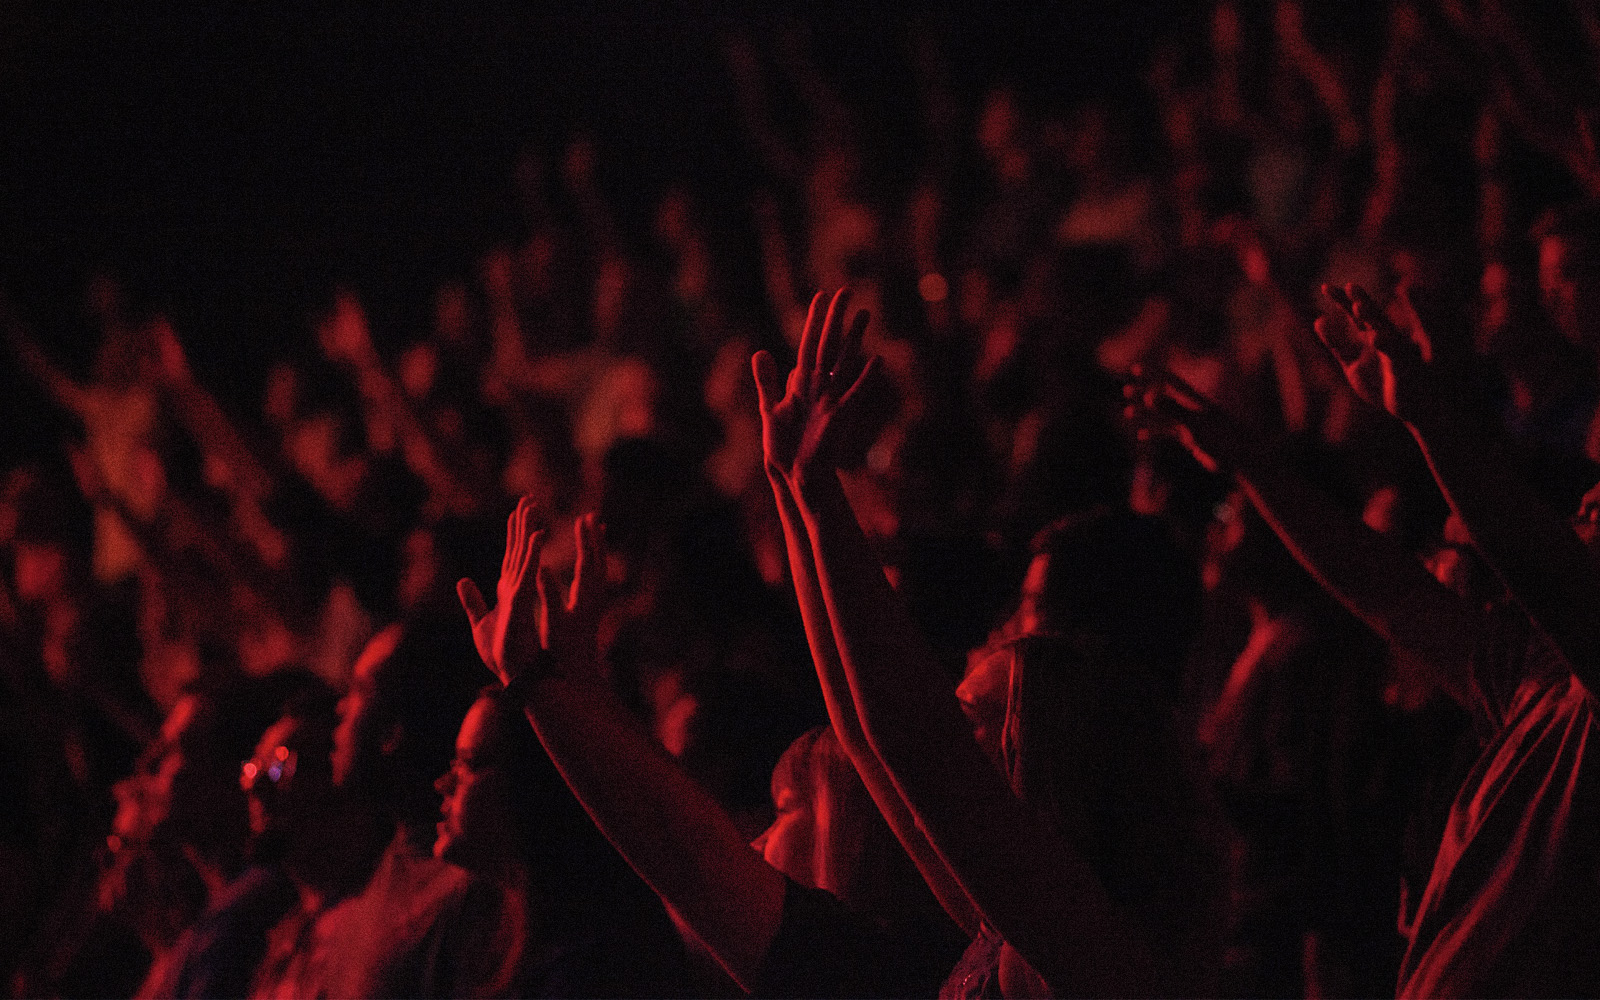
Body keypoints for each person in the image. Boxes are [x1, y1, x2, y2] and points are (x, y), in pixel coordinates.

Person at [1128, 281, 1600, 996]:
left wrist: (1428, 416)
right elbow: (1388, 592)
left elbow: (1541, 565)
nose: (1583, 513)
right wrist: (1252, 465)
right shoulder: (1541, 682)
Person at [751, 288, 1226, 997]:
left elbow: (912, 743)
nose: (948, 725)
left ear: (1042, 745)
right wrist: (793, 489)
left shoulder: (1090, 941)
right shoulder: (1000, 920)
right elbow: (866, 735)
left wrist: (820, 499)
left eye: (973, 719)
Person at [456, 504, 964, 997]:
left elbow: (689, 849)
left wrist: (535, 682)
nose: (753, 835)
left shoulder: (864, 974)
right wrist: (580, 684)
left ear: (854, 840)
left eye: (785, 807)